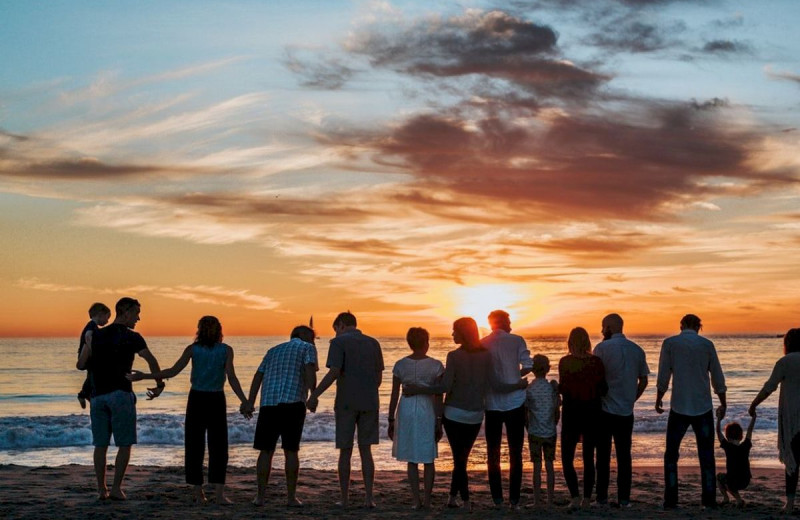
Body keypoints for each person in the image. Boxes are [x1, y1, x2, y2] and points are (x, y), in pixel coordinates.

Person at [127, 316, 249, 504]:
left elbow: (172, 372)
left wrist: (146, 376)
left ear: (199, 330)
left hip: (201, 399)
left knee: (197, 446)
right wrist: (244, 401)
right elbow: (231, 377)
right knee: (215, 447)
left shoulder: (197, 349)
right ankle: (216, 494)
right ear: (219, 330)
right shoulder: (221, 350)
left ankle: (200, 492)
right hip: (212, 399)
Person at [77, 297, 165, 501]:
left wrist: (89, 347)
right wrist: (159, 385)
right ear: (125, 312)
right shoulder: (132, 337)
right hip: (120, 394)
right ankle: (116, 488)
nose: (139, 318)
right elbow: (151, 360)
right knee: (124, 444)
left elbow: (82, 365)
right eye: (136, 313)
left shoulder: (95, 334)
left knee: (100, 445)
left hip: (97, 396)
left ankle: (101, 490)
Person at [306, 312, 384, 508]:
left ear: (340, 325)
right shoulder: (373, 343)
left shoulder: (338, 343)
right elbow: (379, 378)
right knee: (366, 450)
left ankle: (345, 499)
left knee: (345, 451)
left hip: (346, 402)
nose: (336, 333)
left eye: (336, 329)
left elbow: (334, 372)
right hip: (370, 401)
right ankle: (369, 499)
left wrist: (314, 395)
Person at [656, 314, 727, 510]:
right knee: (706, 455)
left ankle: (671, 500)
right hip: (702, 406)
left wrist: (659, 397)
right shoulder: (707, 345)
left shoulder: (670, 343)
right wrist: (723, 401)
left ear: (681, 325)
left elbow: (664, 373)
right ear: (698, 327)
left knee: (671, 455)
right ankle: (709, 500)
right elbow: (717, 377)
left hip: (679, 406)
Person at [244, 325, 318, 507]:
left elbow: (258, 376)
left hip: (269, 404)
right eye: (312, 337)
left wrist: (250, 401)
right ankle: (291, 498)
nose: (313, 340)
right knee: (291, 451)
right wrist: (313, 394)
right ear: (302, 335)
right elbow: (309, 369)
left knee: (265, 451)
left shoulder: (273, 350)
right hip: (293, 403)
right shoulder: (307, 347)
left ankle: (259, 497)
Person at [592, 313, 649, 507]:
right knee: (624, 456)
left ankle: (601, 498)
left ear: (609, 327)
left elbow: (595, 379)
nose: (601, 331)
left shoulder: (601, 349)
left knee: (603, 457)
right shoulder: (637, 350)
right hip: (626, 410)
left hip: (605, 410)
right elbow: (644, 380)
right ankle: (624, 499)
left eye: (603, 327)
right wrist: (632, 398)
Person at [480, 310, 533, 510]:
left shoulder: (483, 343)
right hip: (515, 403)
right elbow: (528, 365)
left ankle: (497, 499)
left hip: (492, 404)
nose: (511, 323)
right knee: (515, 452)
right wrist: (515, 375)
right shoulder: (517, 340)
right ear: (504, 321)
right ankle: (514, 500)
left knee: (492, 452)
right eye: (509, 320)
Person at [387, 327, 444, 510]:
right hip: (427, 409)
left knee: (412, 458)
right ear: (426, 343)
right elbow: (438, 395)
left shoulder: (400, 365)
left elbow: (394, 394)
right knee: (428, 458)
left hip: (406, 409)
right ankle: (427, 500)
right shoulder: (436, 365)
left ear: (409, 343)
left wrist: (390, 419)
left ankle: (416, 501)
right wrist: (439, 420)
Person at [749, 327, 800, 514]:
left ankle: (790, 504)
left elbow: (769, 387)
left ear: (787, 343)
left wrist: (754, 404)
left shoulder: (784, 362)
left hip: (792, 419)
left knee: (792, 460)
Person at [559, 326, 607, 509]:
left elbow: (565, 388)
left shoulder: (565, 362)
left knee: (567, 458)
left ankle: (575, 497)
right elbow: (604, 389)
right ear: (587, 342)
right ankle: (587, 499)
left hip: (572, 414)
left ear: (570, 343)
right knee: (589, 458)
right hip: (593, 414)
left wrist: (557, 387)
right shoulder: (596, 362)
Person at [525, 354, 560, 509]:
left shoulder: (529, 389)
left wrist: (528, 427)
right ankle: (550, 500)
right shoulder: (552, 388)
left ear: (532, 370)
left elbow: (526, 412)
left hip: (534, 432)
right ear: (548, 369)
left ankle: (537, 501)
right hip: (550, 432)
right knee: (550, 465)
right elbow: (557, 410)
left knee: (537, 467)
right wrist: (554, 423)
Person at [76, 302, 111, 409]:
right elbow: (88, 336)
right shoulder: (92, 325)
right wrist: (92, 349)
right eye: (107, 317)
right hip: (88, 356)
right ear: (100, 314)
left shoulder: (93, 325)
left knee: (91, 375)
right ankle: (84, 394)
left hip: (88, 356)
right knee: (92, 375)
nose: (107, 321)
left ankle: (85, 394)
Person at [716, 413, 755, 508]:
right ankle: (737, 500)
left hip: (732, 481)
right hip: (745, 481)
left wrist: (719, 419)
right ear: (741, 436)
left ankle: (731, 499)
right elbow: (750, 430)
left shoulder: (728, 447)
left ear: (728, 437)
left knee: (719, 477)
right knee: (729, 480)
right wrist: (754, 417)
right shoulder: (745, 445)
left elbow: (718, 432)